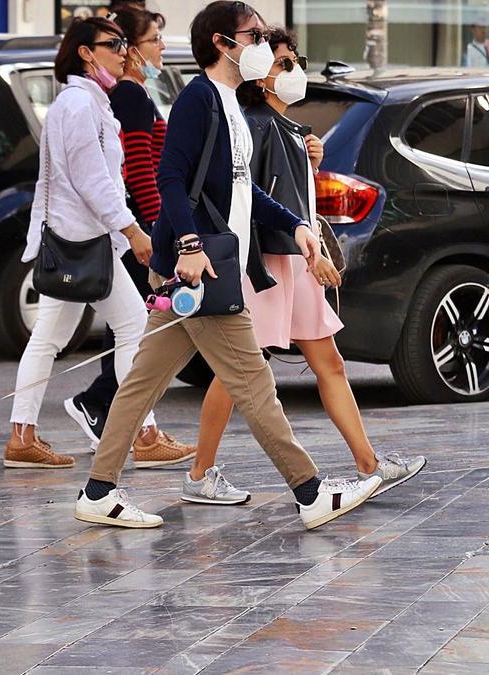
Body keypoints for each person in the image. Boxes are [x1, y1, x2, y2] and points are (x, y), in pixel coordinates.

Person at [73, 0, 382, 529]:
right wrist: (190, 246)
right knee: (254, 383)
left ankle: (98, 491)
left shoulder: (230, 103)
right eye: (254, 34)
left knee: (142, 384)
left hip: (207, 265)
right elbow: (171, 176)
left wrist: (298, 224)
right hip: (203, 268)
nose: (262, 44)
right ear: (222, 42)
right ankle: (310, 492)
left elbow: (244, 188)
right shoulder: (199, 99)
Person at [184, 27, 427, 505]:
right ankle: (198, 473)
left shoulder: (286, 128)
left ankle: (369, 463)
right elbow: (244, 202)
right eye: (283, 63)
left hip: (295, 263)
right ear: (260, 74)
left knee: (327, 364)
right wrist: (300, 251)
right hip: (267, 265)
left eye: (295, 60)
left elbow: (288, 197)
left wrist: (308, 165)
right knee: (238, 374)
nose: (294, 71)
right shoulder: (253, 125)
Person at [3, 17, 157, 469]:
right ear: (86, 52)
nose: (123, 52)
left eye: (125, 43)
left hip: (81, 239)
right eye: (113, 44)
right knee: (133, 327)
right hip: (84, 240)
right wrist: (131, 229)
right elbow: (92, 181)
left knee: (49, 337)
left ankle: (23, 436)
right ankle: (141, 434)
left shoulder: (91, 102)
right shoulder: (78, 105)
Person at [63, 6, 196, 469]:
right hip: (140, 228)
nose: (162, 48)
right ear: (134, 50)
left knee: (130, 327)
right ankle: (114, 414)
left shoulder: (134, 94)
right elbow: (137, 169)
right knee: (136, 329)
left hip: (138, 226)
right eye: (155, 40)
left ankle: (106, 410)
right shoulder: (131, 98)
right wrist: (160, 229)